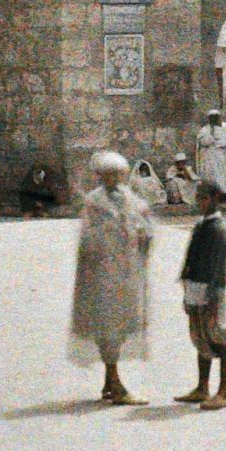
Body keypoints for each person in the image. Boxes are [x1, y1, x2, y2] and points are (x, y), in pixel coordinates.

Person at [70, 151, 156, 403]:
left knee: (120, 323)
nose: (113, 179)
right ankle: (116, 383)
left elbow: (144, 226)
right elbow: (89, 239)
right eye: (108, 174)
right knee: (108, 325)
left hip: (126, 273)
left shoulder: (130, 199)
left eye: (117, 174)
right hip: (103, 274)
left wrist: (143, 234)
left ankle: (110, 381)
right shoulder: (94, 202)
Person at [174, 180, 226, 410]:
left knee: (219, 341)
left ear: (214, 199)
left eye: (204, 197)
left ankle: (222, 392)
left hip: (211, 292)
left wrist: (212, 297)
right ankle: (202, 387)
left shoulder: (219, 229)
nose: (200, 202)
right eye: (198, 197)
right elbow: (190, 260)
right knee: (201, 340)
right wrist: (186, 288)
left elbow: (219, 267)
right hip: (196, 289)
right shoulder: (201, 226)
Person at [195, 110, 226, 202]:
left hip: (219, 157)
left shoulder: (223, 130)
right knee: (210, 176)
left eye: (216, 117)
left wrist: (216, 142)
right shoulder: (204, 130)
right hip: (208, 158)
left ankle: (224, 195)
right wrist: (212, 136)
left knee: (221, 176)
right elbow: (204, 142)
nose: (214, 119)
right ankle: (211, 195)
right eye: (212, 117)